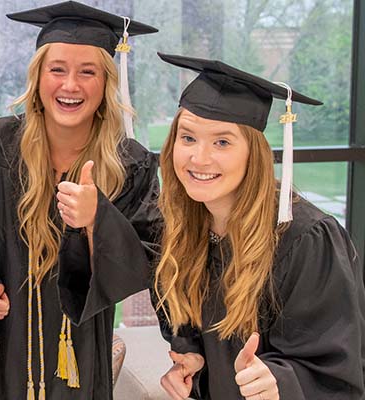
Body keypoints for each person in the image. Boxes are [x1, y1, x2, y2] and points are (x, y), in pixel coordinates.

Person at [0, 1, 160, 399]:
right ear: (37, 77)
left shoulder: (129, 163)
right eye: (57, 69)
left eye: (88, 72)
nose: (71, 85)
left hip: (80, 353)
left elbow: (146, 258)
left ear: (106, 84)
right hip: (0, 343)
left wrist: (97, 222)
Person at [151, 53, 365, 400]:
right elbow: (184, 316)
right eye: (188, 138)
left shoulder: (306, 239)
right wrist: (191, 356)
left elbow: (338, 369)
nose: (199, 158)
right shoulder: (184, 227)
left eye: (222, 141)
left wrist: (281, 381)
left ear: (254, 153)